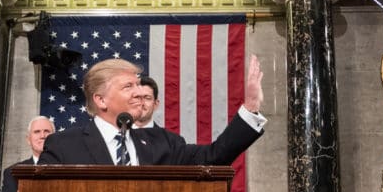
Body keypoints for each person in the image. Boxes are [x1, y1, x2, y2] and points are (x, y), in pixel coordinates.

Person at [39, 55, 265, 166]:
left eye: (138, 86)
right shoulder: (63, 146)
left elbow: (214, 157)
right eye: (128, 87)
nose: (138, 93)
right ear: (101, 100)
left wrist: (250, 107)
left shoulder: (163, 143)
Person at [0, 116, 55, 192]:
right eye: (37, 132)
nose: (42, 135)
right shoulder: (13, 172)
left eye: (47, 131)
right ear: (28, 139)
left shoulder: (67, 168)